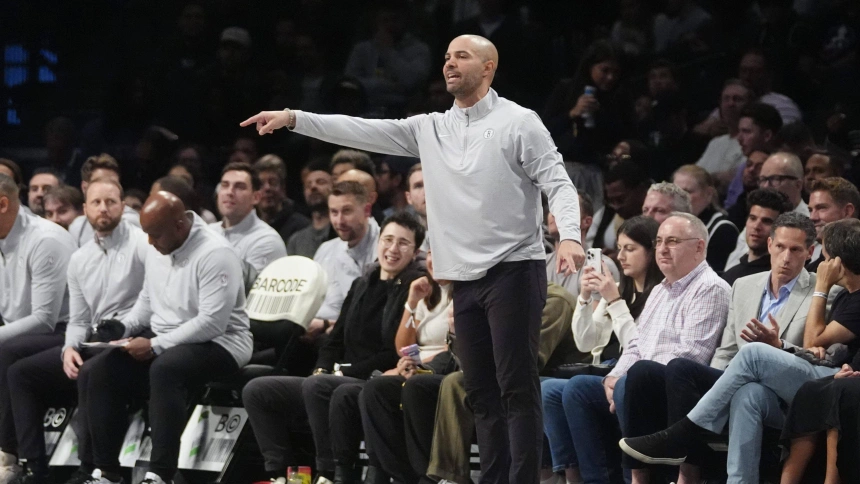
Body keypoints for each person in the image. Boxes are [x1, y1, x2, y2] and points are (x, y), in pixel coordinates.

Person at [240, 34, 585, 484]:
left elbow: (557, 181)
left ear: (488, 67)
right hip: (465, 278)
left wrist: (572, 236)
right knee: (480, 392)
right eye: (445, 57)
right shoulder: (431, 128)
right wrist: (293, 118)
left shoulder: (519, 122)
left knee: (515, 388)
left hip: (514, 270)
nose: (449, 63)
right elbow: (362, 128)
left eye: (461, 56)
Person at [620, 219, 860, 483]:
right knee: (745, 392)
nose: (786, 257)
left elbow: (824, 348)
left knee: (753, 352)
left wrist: (780, 344)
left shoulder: (828, 291)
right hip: (748, 381)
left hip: (800, 381)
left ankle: (682, 435)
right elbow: (726, 351)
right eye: (780, 247)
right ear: (769, 245)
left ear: (811, 253)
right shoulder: (743, 285)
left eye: (796, 250)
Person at [242, 212, 426, 484]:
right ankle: (281, 474)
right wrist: (321, 368)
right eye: (388, 240)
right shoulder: (362, 282)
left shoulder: (415, 287)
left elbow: (394, 350)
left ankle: (329, 474)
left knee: (318, 386)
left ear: (415, 251)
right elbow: (335, 339)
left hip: (376, 380)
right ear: (378, 242)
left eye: (403, 243)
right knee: (258, 390)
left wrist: (339, 372)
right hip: (338, 378)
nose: (392, 249)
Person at [82, 191, 252, 484]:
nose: (149, 242)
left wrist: (154, 345)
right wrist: (123, 329)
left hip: (223, 343)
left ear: (179, 225)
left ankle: (159, 474)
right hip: (167, 338)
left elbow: (212, 322)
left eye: (155, 235)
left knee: (165, 368)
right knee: (101, 370)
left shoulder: (215, 253)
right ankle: (106, 471)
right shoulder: (158, 245)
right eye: (147, 234)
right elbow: (148, 300)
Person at [557, 213, 731, 483]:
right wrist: (614, 377)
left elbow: (693, 355)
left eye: (672, 241)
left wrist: (628, 377)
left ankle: (637, 479)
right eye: (659, 241)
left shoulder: (711, 288)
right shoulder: (661, 289)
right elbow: (636, 344)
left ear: (699, 247)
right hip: (639, 378)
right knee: (578, 388)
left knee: (636, 377)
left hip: (676, 389)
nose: (661, 249)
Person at [2, 178, 148, 484]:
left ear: (123, 205)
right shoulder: (82, 258)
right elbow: (80, 320)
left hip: (132, 336)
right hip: (93, 337)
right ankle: (33, 469)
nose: (103, 209)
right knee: (21, 373)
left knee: (92, 371)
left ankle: (96, 469)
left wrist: (123, 331)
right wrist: (70, 348)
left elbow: (149, 302)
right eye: (96, 203)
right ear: (86, 210)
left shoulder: (142, 245)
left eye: (110, 202)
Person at [0, 173, 77, 482]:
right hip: (21, 333)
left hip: (65, 330)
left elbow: (44, 318)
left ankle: (8, 457)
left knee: (6, 353)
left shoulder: (45, 239)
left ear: (2, 204)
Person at [570, 216, 663, 365]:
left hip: (629, 373)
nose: (620, 256)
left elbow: (640, 350)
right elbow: (585, 343)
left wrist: (614, 301)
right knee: (547, 385)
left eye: (630, 249)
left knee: (572, 384)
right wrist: (584, 297)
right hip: (603, 369)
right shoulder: (618, 289)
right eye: (619, 248)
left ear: (652, 251)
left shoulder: (663, 295)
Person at [308, 181, 380, 341]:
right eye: (334, 212)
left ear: (367, 210)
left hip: (362, 339)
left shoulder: (385, 248)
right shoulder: (326, 249)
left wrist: (327, 325)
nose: (339, 221)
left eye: (347, 211)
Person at [724, 152, 808, 271]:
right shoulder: (756, 221)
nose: (766, 186)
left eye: (775, 179)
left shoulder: (812, 224)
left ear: (798, 184)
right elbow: (732, 265)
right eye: (762, 180)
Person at [210, 162, 287, 288]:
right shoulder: (207, 232)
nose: (229, 192)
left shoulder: (267, 240)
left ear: (256, 197)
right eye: (225, 185)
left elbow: (246, 293)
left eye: (239, 187)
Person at [672, 165, 739, 271]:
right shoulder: (670, 225)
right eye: (676, 192)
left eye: (687, 191)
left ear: (708, 193)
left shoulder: (723, 230)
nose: (680, 197)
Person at [722, 189, 792, 286]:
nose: (756, 226)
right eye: (753, 218)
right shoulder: (729, 275)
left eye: (766, 221)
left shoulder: (782, 278)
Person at [68, 154, 141, 247]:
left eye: (113, 182)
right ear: (85, 187)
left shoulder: (132, 221)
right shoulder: (77, 227)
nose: (107, 187)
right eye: (100, 182)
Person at [724, 103, 783, 210]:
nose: (739, 138)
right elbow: (730, 205)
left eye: (746, 132)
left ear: (767, 136)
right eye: (739, 131)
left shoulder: (784, 171)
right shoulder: (743, 167)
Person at [588, 160, 651, 254]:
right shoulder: (605, 214)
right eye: (611, 201)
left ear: (641, 190)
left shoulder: (658, 215)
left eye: (620, 199)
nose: (615, 207)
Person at [694, 80, 752, 181]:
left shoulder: (752, 141)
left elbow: (735, 178)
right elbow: (694, 174)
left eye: (737, 99)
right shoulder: (715, 142)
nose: (731, 104)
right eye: (726, 99)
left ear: (749, 105)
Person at [253, 154, 310, 243]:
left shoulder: (301, 226)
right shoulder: (248, 226)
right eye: (261, 184)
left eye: (273, 182)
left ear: (283, 188)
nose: (267, 188)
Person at [807, 177, 860, 271]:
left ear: (847, 211)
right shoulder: (809, 273)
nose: (812, 217)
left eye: (821, 208)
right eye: (810, 210)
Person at [287, 160, 334, 258]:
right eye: (308, 185)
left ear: (334, 188)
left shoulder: (343, 231)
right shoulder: (296, 240)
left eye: (320, 182)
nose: (313, 187)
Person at [725, 150, 769, 228]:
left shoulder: (769, 211)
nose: (751, 169)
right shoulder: (738, 204)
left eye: (759, 167)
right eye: (749, 164)